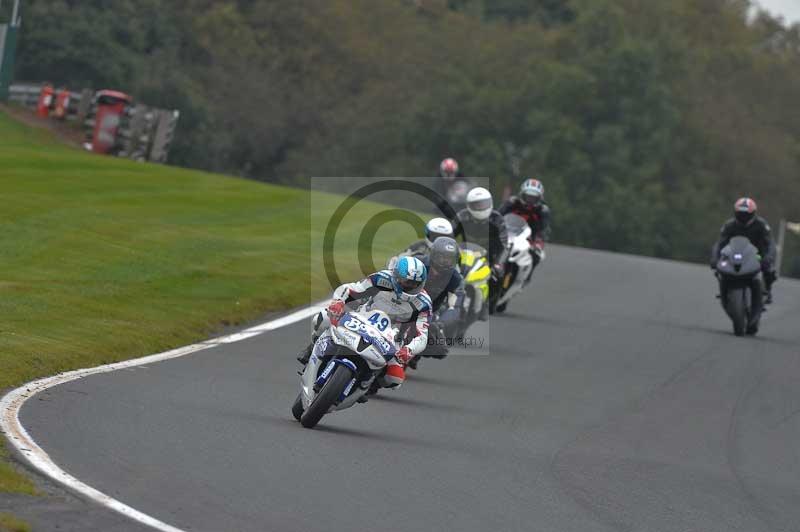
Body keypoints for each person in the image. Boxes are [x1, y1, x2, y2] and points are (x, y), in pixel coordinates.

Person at [296, 256, 432, 388]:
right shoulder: (381, 278)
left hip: (392, 337)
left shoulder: (424, 303)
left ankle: (368, 386)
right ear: (396, 276)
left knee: (395, 379)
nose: (410, 286)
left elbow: (422, 336)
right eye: (406, 282)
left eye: (415, 284)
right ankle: (311, 349)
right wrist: (338, 302)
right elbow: (351, 289)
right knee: (322, 318)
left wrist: (408, 350)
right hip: (361, 318)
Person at [452, 186, 509, 318]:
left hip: (489, 255)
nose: (481, 208)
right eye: (477, 205)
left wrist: (498, 263)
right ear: (469, 205)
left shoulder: (497, 219)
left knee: (498, 274)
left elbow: (505, 245)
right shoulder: (462, 216)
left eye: (484, 204)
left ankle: (490, 303)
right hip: (464, 252)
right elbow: (449, 235)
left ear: (490, 203)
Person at [410, 237, 465, 366]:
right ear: (433, 254)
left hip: (428, 313)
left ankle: (414, 354)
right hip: (403, 302)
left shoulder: (455, 278)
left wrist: (442, 322)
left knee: (441, 350)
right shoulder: (418, 263)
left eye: (449, 259)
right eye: (442, 257)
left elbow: (455, 304)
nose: (445, 262)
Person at [710, 197, 777, 303]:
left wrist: (768, 257)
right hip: (733, 255)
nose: (743, 217)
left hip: (756, 255)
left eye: (746, 215)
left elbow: (770, 244)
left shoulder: (761, 225)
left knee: (769, 270)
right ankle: (724, 291)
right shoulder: (729, 225)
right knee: (720, 268)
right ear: (735, 213)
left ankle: (767, 291)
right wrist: (715, 258)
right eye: (740, 214)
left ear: (753, 213)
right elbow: (719, 243)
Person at [499, 178, 551, 281]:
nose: (530, 200)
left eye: (534, 198)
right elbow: (498, 216)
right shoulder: (512, 203)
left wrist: (537, 243)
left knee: (538, 255)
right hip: (508, 233)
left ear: (539, 198)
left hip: (529, 239)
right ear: (522, 194)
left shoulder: (543, 211)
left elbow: (543, 230)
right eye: (528, 197)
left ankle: (526, 277)